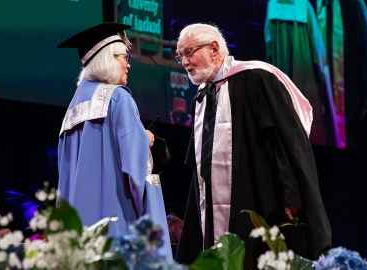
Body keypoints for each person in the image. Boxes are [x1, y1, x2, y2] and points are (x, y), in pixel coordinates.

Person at [174, 23, 332, 266]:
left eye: (189, 52)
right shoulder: (204, 95)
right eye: (180, 55)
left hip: (258, 198)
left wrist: (292, 196)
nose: (184, 61)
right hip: (213, 206)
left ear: (214, 49)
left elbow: (284, 143)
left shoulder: (257, 78)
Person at [56, 22, 172, 258]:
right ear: (107, 59)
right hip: (117, 224)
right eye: (123, 57)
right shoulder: (118, 99)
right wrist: (144, 142)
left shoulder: (72, 110)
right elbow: (136, 172)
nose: (128, 64)